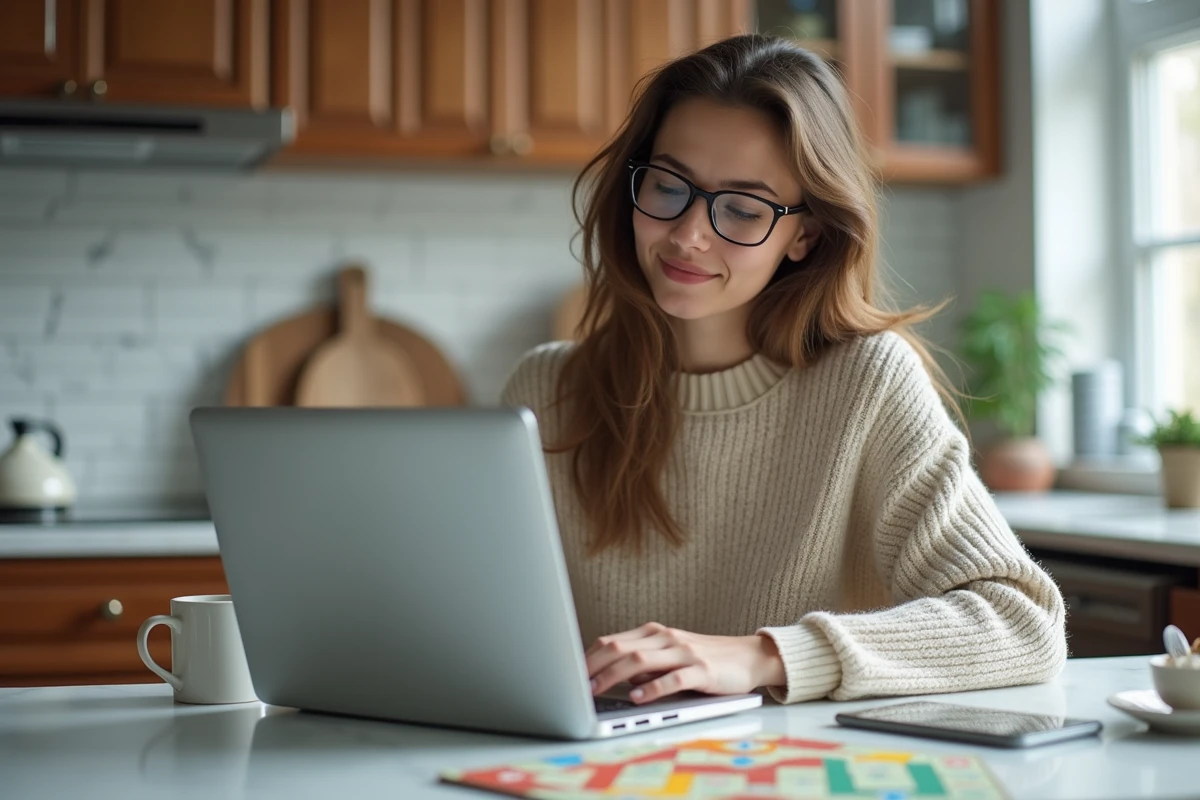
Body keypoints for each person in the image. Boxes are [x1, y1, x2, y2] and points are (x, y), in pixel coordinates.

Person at [501, 34, 1066, 706]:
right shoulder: (546, 390)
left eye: (742, 207)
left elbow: (1022, 623)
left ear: (806, 234)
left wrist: (766, 656)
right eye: (667, 185)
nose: (687, 234)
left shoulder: (868, 383)